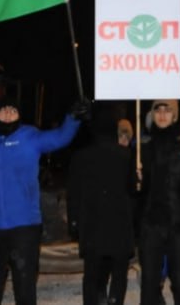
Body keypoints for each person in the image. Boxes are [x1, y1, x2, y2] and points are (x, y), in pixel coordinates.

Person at [0, 97, 87, 305]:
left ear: (19, 116)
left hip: (25, 227)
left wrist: (73, 118)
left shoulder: (30, 137)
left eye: (13, 109)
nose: (8, 112)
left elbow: (60, 137)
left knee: (24, 287)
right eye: (3, 109)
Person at [137, 99, 180, 305]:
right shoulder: (144, 149)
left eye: (167, 110)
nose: (162, 114)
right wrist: (134, 179)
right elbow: (135, 192)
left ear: (174, 116)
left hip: (179, 224)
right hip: (151, 224)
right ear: (152, 115)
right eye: (158, 110)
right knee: (149, 281)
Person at [68, 104, 137, 305]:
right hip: (119, 224)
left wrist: (74, 222)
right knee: (118, 274)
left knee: (91, 274)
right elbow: (133, 190)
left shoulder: (80, 157)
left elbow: (73, 193)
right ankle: (115, 300)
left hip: (92, 225)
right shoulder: (126, 156)